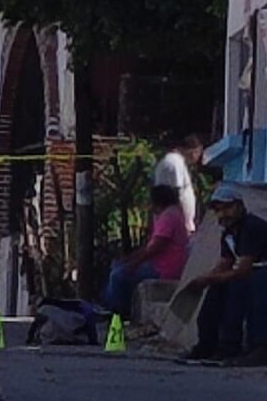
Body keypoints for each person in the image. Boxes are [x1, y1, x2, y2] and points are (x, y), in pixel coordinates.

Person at [183, 184, 267, 365]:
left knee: (246, 287)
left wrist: (208, 279)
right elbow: (224, 264)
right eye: (219, 210)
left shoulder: (251, 226)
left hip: (261, 273)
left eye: (227, 208)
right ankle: (208, 344)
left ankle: (255, 347)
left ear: (239, 206)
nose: (223, 214)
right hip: (252, 272)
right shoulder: (229, 233)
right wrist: (206, 280)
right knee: (217, 289)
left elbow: (243, 268)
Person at [102, 185, 190, 317]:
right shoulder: (172, 214)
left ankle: (118, 312)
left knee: (118, 275)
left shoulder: (169, 217)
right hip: (160, 264)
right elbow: (151, 246)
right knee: (116, 266)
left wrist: (134, 263)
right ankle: (107, 306)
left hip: (164, 269)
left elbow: (156, 247)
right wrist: (129, 258)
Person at [154, 134, 204, 235]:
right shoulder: (175, 163)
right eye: (199, 154)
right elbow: (176, 194)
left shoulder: (177, 162)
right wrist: (183, 224)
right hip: (177, 226)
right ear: (193, 151)